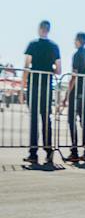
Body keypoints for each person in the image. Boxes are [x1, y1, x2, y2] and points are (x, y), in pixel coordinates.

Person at [23, 20, 61, 168]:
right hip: (47, 86)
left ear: (40, 29)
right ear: (49, 30)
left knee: (34, 120)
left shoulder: (32, 45)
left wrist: (22, 87)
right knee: (46, 119)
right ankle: (49, 153)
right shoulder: (54, 47)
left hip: (33, 86)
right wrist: (49, 68)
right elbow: (58, 70)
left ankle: (33, 154)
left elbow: (26, 66)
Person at [63, 32, 85, 164]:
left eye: (75, 40)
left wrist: (66, 96)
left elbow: (73, 77)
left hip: (76, 92)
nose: (74, 41)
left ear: (79, 41)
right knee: (84, 122)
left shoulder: (77, 55)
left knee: (72, 121)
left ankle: (74, 152)